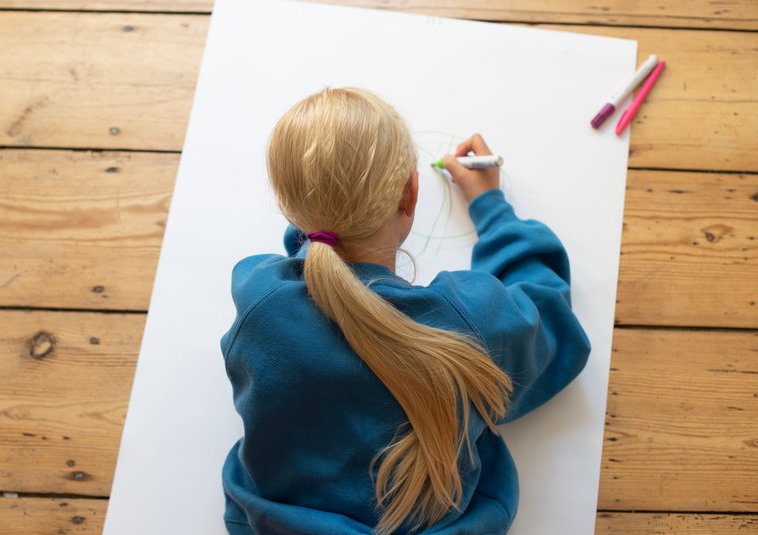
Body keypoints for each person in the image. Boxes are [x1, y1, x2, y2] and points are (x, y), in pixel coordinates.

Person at [220, 87, 591, 535]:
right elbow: (551, 319)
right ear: (410, 193)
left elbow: (307, 264)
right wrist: (491, 208)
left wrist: (323, 216)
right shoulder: (471, 325)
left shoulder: (258, 298)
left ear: (292, 210)